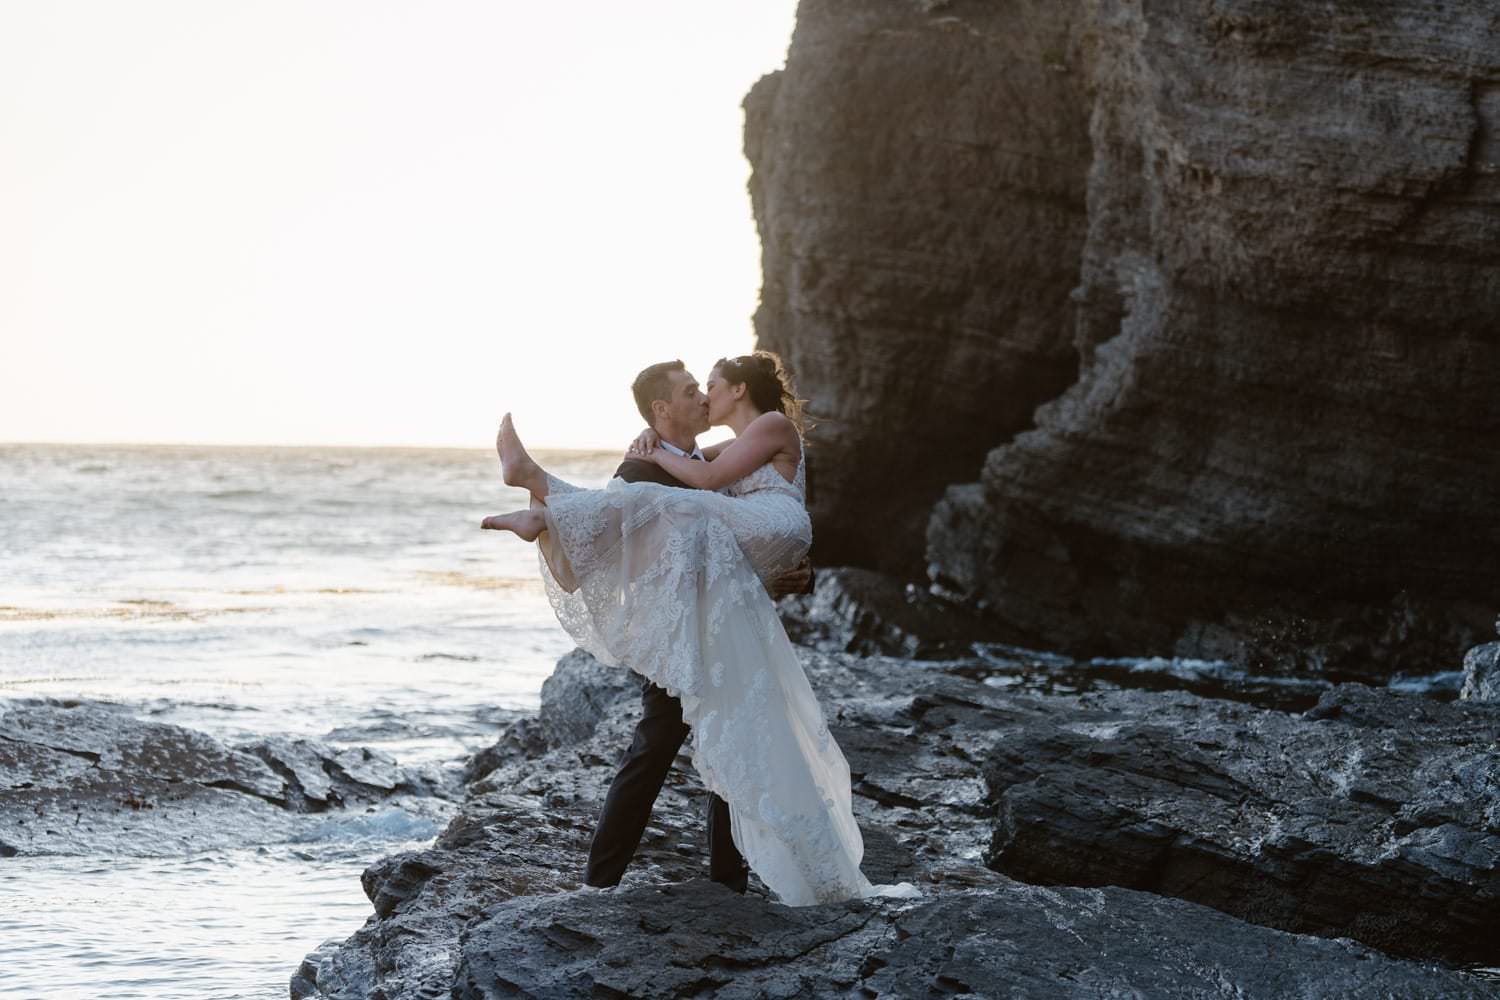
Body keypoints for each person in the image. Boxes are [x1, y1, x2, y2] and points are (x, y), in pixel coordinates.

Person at [482, 352, 916, 906]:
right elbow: (624, 545)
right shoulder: (641, 472)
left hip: (727, 619)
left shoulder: (715, 459)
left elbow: (738, 522)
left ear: (737, 390)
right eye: (693, 391)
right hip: (680, 629)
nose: (703, 397)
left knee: (735, 739)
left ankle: (726, 882)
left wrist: (793, 573)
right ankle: (601, 880)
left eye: (705, 387)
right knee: (660, 747)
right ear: (664, 408)